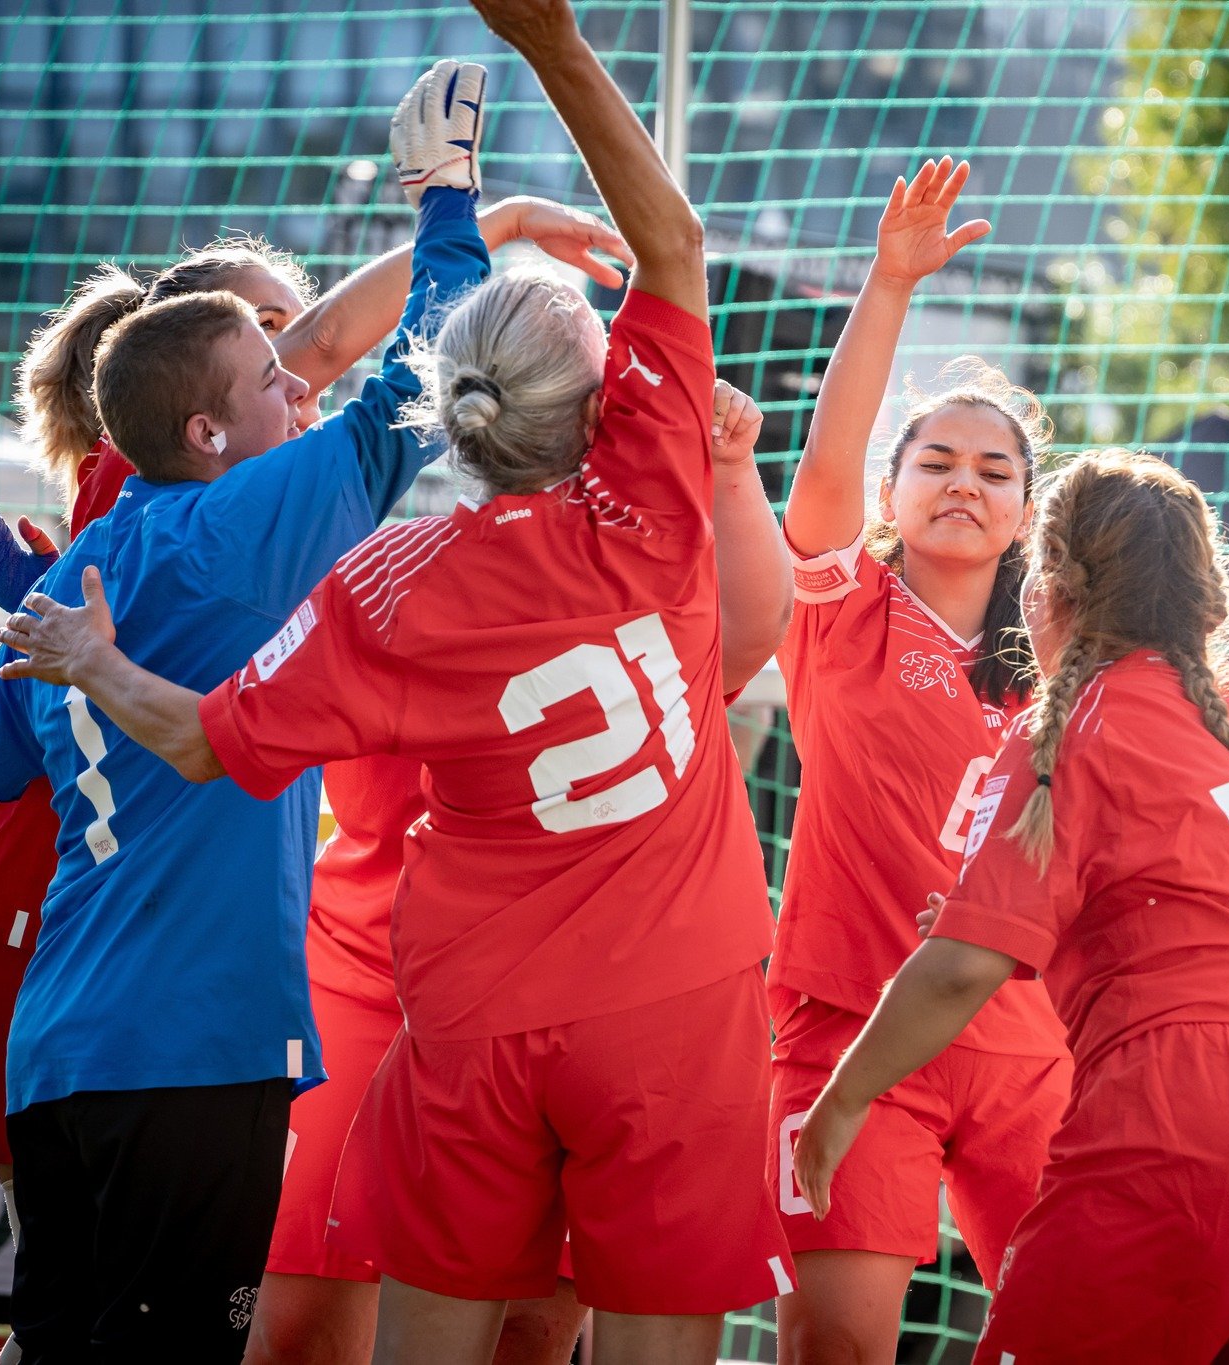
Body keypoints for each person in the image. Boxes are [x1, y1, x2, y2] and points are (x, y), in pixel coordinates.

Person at [0, 4, 790, 1362]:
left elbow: (201, 741)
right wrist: (552, 48)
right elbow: (675, 242)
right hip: (672, 996)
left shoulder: (387, 582)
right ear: (607, 404)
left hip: (468, 1010)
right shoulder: (652, 485)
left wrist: (89, 657)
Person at [0, 200, 627, 1345]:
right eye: (272, 370)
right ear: (207, 432)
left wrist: (37, 623)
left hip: (61, 1048)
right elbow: (414, 384)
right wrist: (448, 198)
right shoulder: (240, 531)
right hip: (192, 1044)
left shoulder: (94, 559)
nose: (298, 384)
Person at [792, 448, 1229, 1362]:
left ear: (1047, 585)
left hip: (1195, 1106)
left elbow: (962, 966)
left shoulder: (1074, 715)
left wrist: (840, 1103)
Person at [245, 375, 790, 1365]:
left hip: (560, 999)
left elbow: (748, 637)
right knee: (300, 1327)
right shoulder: (397, 572)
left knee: (533, 1332)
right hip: (390, 985)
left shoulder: (619, 555)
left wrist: (729, 470)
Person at [761, 157, 1071, 1363]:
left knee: (1068, 1336)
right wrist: (890, 284)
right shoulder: (840, 612)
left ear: (1024, 511)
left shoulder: (1067, 659)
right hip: (845, 1034)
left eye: (995, 469)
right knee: (834, 1346)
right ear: (893, 492)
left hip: (1028, 1046)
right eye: (935, 461)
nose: (963, 482)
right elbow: (823, 472)